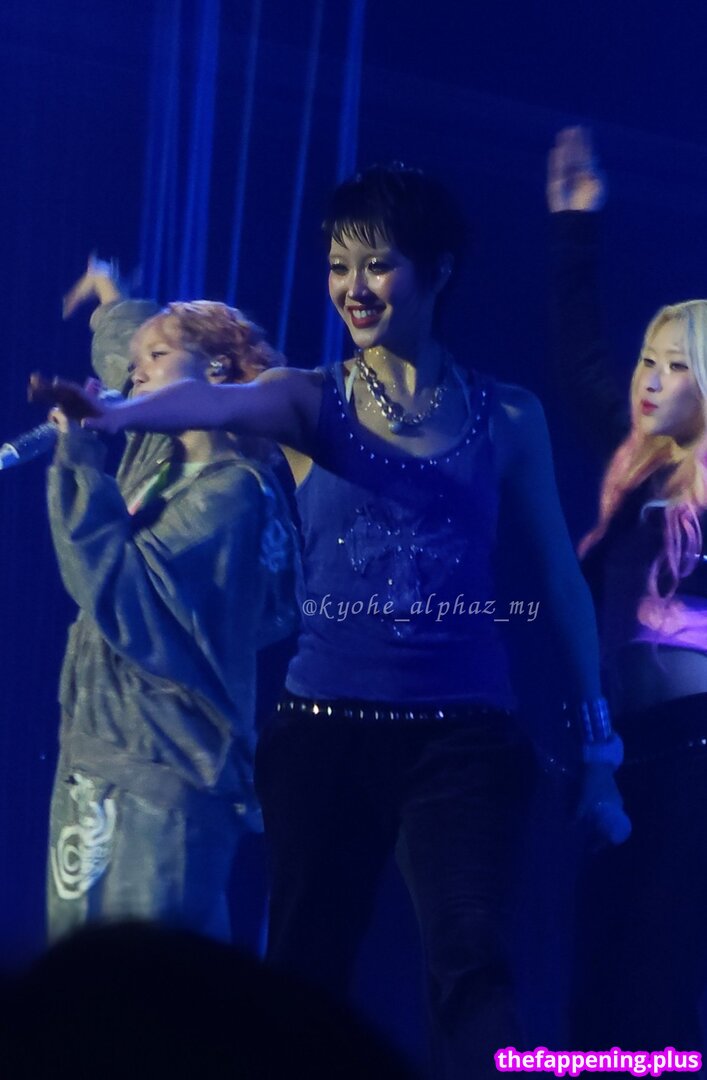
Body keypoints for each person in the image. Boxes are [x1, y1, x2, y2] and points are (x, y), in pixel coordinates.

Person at [39, 164, 626, 1080]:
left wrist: (596, 746)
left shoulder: (509, 415)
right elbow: (211, 397)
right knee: (304, 973)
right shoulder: (310, 399)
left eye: (377, 264)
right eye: (337, 265)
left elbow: (558, 577)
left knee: (471, 963)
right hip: (326, 734)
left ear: (437, 269)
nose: (353, 287)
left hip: (463, 741)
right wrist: (114, 412)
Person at [38, 296, 298, 943]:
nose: (137, 372)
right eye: (137, 362)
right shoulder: (160, 460)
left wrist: (78, 458)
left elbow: (119, 587)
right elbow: (127, 370)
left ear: (215, 370)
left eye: (156, 356)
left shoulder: (232, 493)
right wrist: (112, 301)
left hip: (164, 773)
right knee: (89, 980)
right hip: (101, 762)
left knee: (142, 981)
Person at [548, 127, 707, 1055]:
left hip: (698, 752)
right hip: (625, 749)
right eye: (647, 359)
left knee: (657, 966)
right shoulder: (634, 469)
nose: (650, 379)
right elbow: (578, 366)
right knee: (598, 970)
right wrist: (575, 226)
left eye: (675, 364)